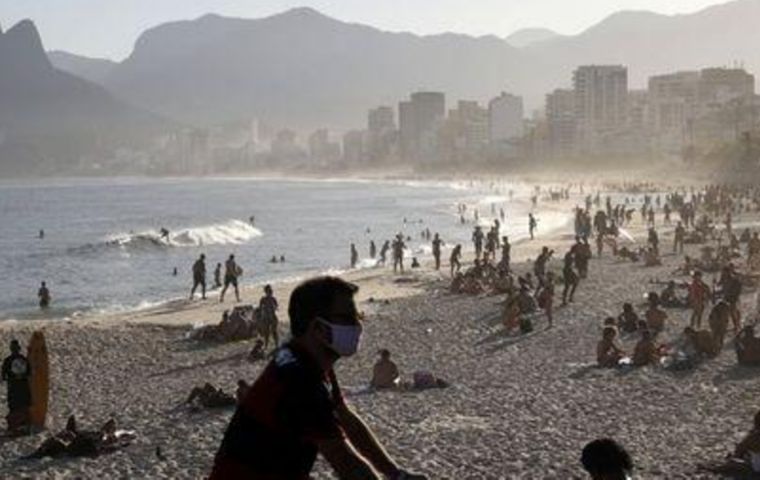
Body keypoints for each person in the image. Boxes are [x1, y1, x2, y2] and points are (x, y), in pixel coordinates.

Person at [210, 277, 427, 479]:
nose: (357, 326)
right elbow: (343, 460)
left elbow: (347, 419)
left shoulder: (307, 359)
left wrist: (396, 474)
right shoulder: (300, 379)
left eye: (357, 317)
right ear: (317, 328)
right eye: (347, 318)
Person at [2, 340, 32, 434]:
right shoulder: (24, 359)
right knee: (24, 406)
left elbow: (3, 376)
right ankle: (25, 427)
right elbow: (29, 373)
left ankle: (14, 428)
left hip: (13, 388)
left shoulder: (7, 360)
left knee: (14, 407)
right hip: (24, 387)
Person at [258, 285, 279, 350]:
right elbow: (260, 308)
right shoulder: (263, 299)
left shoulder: (273, 299)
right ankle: (266, 345)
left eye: (271, 291)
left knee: (274, 332)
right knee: (266, 332)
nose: (270, 293)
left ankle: (276, 345)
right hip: (266, 317)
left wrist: (274, 307)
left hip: (272, 317)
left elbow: (276, 307)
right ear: (266, 292)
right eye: (269, 291)